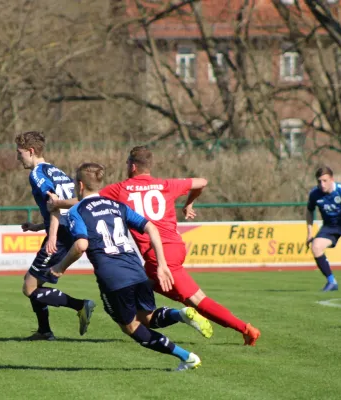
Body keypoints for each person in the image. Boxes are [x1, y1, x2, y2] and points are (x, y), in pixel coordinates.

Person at [49, 146, 260, 346]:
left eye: (127, 163)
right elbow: (201, 182)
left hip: (160, 256)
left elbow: (85, 200)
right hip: (174, 247)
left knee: (196, 299)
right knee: (142, 291)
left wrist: (57, 203)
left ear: (132, 166)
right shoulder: (166, 184)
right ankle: (181, 313)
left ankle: (245, 328)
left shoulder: (121, 189)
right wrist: (189, 203)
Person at [50, 162, 204, 371]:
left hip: (113, 278)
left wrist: (60, 267)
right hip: (137, 271)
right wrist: (161, 264)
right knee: (148, 318)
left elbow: (80, 245)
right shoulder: (117, 205)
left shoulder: (77, 210)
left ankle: (187, 357)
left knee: (132, 327)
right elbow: (151, 228)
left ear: (80, 185)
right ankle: (179, 314)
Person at [15, 131, 95, 341]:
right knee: (34, 283)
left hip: (60, 235)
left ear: (31, 151)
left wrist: (52, 237)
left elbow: (55, 205)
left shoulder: (37, 174)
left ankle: (80, 305)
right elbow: (68, 204)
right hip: (67, 230)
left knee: (29, 287)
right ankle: (44, 331)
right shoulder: (56, 171)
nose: (18, 157)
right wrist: (37, 226)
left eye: (19, 153)